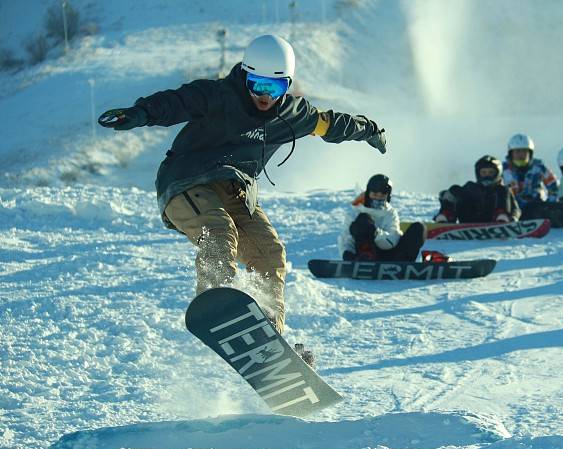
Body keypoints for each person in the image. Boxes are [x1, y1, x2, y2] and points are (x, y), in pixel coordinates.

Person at [97, 34, 387, 366]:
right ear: (245, 76)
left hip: (236, 190)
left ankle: (269, 340)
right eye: (257, 84)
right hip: (185, 181)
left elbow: (331, 124)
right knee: (219, 232)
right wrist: (140, 113)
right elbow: (175, 102)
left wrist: (368, 129)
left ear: (286, 86)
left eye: (274, 88)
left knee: (270, 252)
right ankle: (217, 304)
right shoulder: (218, 96)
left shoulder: (294, 114)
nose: (264, 96)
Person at [338, 174, 426, 262]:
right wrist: (347, 255)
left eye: (383, 194)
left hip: (391, 255)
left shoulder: (390, 213)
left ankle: (404, 265)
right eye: (375, 193)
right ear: (369, 193)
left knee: (419, 228)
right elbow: (347, 237)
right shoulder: (356, 211)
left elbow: (392, 240)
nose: (378, 197)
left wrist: (376, 234)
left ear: (387, 196)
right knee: (364, 220)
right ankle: (366, 257)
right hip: (366, 255)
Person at [435, 155, 521, 223]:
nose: (487, 175)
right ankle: (445, 216)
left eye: (490, 173)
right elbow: (450, 195)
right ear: (478, 174)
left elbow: (516, 209)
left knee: (504, 189)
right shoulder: (471, 187)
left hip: (494, 219)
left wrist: (514, 218)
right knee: (455, 189)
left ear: (497, 174)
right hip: (470, 218)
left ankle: (501, 216)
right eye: (484, 173)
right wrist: (447, 196)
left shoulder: (502, 191)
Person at [501, 133, 559, 207]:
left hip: (537, 207)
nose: (521, 155)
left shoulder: (539, 168)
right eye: (517, 151)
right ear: (511, 153)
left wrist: (550, 204)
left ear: (530, 153)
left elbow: (554, 187)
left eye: (524, 151)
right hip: (512, 208)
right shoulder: (503, 170)